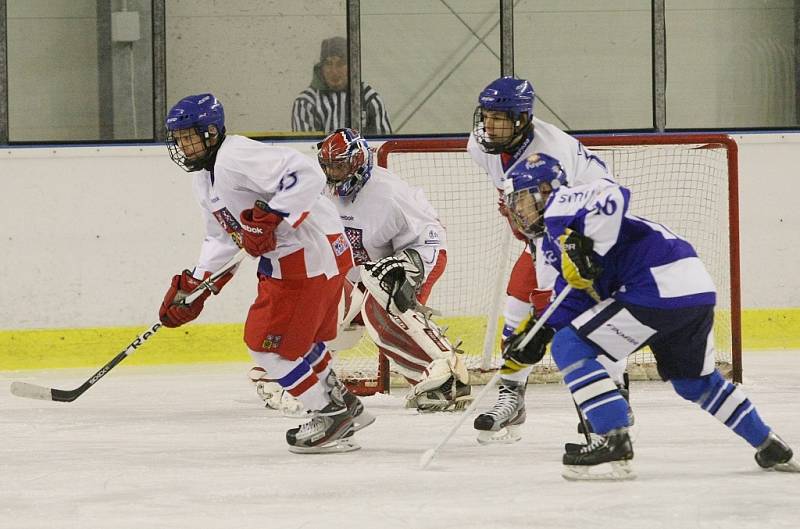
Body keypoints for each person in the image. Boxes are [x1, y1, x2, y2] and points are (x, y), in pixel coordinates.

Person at [501, 151, 799, 480]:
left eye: (522, 199)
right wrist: (537, 336)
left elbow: (614, 194)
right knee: (694, 382)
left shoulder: (563, 203)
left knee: (570, 347)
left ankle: (614, 437)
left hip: (657, 283)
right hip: (692, 289)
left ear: (545, 189)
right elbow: (571, 298)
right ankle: (768, 443)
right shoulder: (552, 244)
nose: (518, 210)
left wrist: (578, 244)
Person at [159, 93, 374, 454]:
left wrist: (272, 215)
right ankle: (342, 405)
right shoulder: (205, 180)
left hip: (307, 256)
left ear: (211, 133)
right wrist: (196, 284)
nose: (182, 146)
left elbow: (305, 173)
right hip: (305, 258)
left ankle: (329, 413)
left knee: (266, 344)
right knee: (300, 342)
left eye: (188, 136)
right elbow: (223, 237)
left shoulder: (235, 155)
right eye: (178, 139)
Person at [252, 128, 471, 413]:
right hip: (358, 271)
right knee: (320, 299)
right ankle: (299, 374)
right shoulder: (320, 188)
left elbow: (431, 236)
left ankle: (444, 374)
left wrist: (409, 272)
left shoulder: (390, 194)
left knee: (380, 304)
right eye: (328, 166)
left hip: (415, 255)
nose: (334, 173)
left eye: (340, 165)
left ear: (358, 162)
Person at [468, 76, 629, 444]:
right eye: (487, 116)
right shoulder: (481, 146)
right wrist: (517, 214)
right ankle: (512, 399)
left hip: (586, 231)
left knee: (578, 316)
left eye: (500, 118)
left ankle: (613, 392)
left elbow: (565, 217)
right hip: (543, 226)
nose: (489, 126)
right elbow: (518, 199)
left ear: (522, 119)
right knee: (515, 306)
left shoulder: (551, 150)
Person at [291, 36, 392, 135]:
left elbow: (383, 144)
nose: (334, 71)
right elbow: (306, 149)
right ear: (321, 67)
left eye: (340, 64)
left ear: (352, 66)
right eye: (328, 64)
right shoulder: (306, 102)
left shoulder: (369, 99)